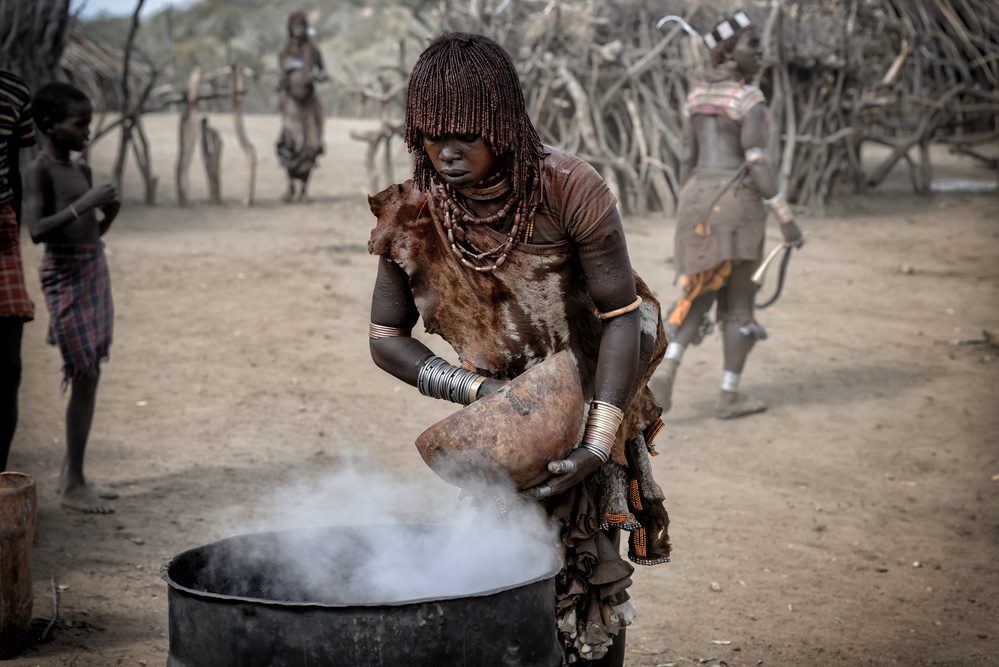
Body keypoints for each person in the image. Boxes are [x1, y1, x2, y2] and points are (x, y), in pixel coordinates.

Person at [366, 33, 671, 665]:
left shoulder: (568, 188)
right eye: (431, 136)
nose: (445, 152)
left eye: (465, 135)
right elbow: (386, 338)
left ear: (501, 125)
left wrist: (597, 440)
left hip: (591, 400)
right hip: (502, 425)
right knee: (500, 579)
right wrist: (482, 393)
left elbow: (623, 316)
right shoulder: (414, 209)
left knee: (591, 583)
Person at [650, 12, 804, 419]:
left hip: (696, 201)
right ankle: (729, 394)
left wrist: (691, 205)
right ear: (728, 52)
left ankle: (668, 371)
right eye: (751, 44)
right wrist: (786, 216)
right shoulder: (748, 99)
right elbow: (756, 161)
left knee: (698, 291)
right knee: (739, 303)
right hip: (738, 207)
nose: (760, 51)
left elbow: (686, 158)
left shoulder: (697, 98)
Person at [23, 82, 120, 514]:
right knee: (82, 371)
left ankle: (72, 474)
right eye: (79, 124)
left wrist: (107, 217)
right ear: (50, 126)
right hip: (63, 275)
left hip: (92, 268)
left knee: (91, 371)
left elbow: (88, 235)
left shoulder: (80, 172)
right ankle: (74, 483)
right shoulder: (39, 170)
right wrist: (86, 203)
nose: (87, 131)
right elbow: (38, 230)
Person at [0, 71, 36, 472]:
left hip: (2, 233)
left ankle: (2, 488)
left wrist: (12, 233)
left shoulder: (13, 91)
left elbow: (12, 167)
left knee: (7, 368)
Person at [276, 10, 328, 203]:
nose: (298, 29)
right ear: (289, 27)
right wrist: (279, 83)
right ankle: (290, 188)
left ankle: (304, 191)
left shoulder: (313, 51)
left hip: (309, 106)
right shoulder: (285, 52)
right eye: (294, 25)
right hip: (291, 106)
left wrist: (317, 76)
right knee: (289, 144)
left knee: (309, 146)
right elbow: (281, 75)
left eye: (301, 25)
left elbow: (324, 73)